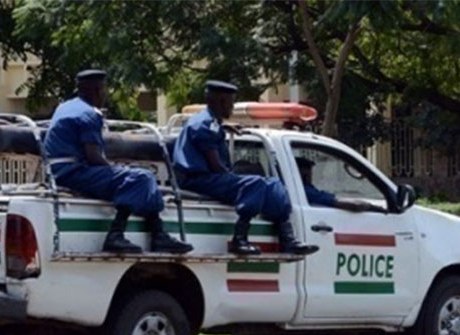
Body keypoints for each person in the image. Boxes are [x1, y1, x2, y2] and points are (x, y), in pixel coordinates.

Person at [44, 69, 193, 254]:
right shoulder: (89, 114)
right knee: (141, 177)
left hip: (56, 170)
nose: (105, 94)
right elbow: (94, 157)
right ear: (97, 90)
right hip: (73, 172)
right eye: (104, 89)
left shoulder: (65, 107)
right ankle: (118, 234)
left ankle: (158, 235)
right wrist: (115, 169)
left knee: (139, 178)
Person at [173, 80, 318, 256]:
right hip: (196, 179)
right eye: (230, 102)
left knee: (272, 184)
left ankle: (287, 239)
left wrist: (224, 127)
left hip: (206, 177)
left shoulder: (209, 121)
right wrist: (235, 180)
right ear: (220, 102)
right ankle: (239, 238)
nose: (232, 107)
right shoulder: (205, 125)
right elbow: (215, 165)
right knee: (254, 184)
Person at [295, 157, 385, 212]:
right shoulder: (306, 192)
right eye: (309, 172)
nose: (311, 176)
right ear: (303, 174)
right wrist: (373, 208)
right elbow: (354, 205)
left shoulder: (297, 190)